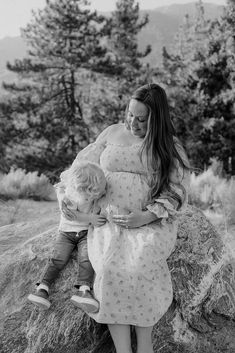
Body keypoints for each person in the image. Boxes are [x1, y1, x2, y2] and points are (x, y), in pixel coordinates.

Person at [62, 83, 190, 353]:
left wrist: (145, 217)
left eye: (142, 119)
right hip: (107, 219)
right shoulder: (111, 133)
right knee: (109, 268)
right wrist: (73, 197)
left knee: (141, 263)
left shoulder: (166, 145)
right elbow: (81, 167)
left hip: (147, 222)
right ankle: (123, 350)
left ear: (157, 120)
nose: (133, 123)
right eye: (130, 115)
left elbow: (176, 189)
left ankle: (145, 347)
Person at [27, 161, 107, 312]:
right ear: (87, 190)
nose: (103, 191)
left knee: (86, 259)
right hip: (67, 233)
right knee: (58, 259)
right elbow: (70, 215)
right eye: (100, 189)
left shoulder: (90, 192)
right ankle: (42, 288)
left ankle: (83, 290)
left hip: (85, 233)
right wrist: (91, 218)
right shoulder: (71, 195)